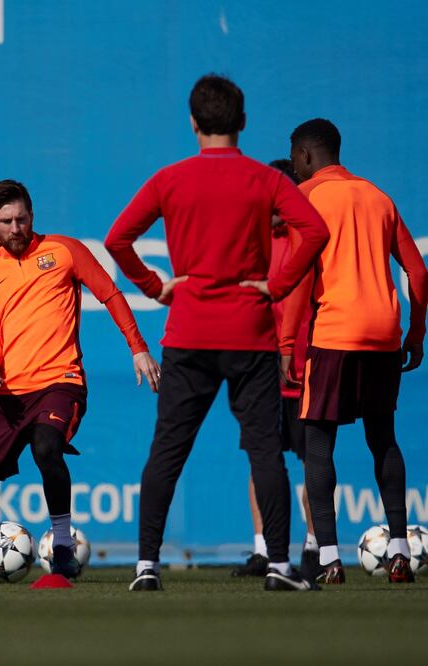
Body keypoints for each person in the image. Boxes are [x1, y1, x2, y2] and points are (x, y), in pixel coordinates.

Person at [105, 74, 329, 592]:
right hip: (249, 333)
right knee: (264, 451)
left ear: (193, 123)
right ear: (243, 121)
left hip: (188, 332)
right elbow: (316, 230)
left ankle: (146, 567)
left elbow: (118, 239)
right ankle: (278, 565)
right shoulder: (266, 180)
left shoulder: (171, 178)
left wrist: (156, 287)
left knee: (167, 451)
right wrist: (275, 284)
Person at [0, 180, 160, 582]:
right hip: (7, 394)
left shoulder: (64, 251)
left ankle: (63, 544)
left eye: (21, 218)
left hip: (59, 380)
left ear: (32, 216)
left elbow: (111, 294)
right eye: (6, 221)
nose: (15, 227)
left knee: (46, 448)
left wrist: (137, 347)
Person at [276, 118, 427, 585]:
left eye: (295, 158)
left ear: (303, 156)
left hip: (334, 333)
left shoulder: (306, 198)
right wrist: (416, 333)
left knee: (319, 443)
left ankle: (328, 559)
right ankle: (400, 548)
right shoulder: (378, 196)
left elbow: (300, 276)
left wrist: (286, 344)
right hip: (383, 333)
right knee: (383, 438)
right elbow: (418, 274)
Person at [231, 159, 319, 582]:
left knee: (313, 460)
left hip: (308, 363)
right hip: (261, 362)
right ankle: (264, 550)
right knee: (260, 457)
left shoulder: (310, 238)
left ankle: (314, 547)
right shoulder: (250, 239)